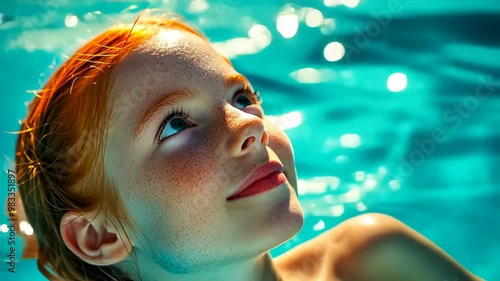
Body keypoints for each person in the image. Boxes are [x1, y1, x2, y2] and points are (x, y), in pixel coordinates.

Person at [12, 10, 483, 281]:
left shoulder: (371, 262)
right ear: (103, 236)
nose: (249, 127)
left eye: (242, 98)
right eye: (174, 125)